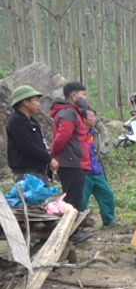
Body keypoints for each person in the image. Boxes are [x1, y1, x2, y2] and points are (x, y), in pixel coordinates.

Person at [49, 82, 92, 211]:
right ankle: (71, 229)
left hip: (75, 162)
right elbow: (62, 138)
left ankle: (73, 228)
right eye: (83, 95)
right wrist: (51, 154)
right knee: (72, 201)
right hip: (71, 163)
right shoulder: (68, 113)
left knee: (75, 199)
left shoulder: (72, 112)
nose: (85, 98)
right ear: (74, 96)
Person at [6, 86, 57, 181]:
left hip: (39, 171)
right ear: (25, 102)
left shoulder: (32, 121)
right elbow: (28, 146)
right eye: (36, 101)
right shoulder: (16, 122)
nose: (39, 104)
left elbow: (40, 144)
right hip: (27, 173)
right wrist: (48, 159)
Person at [82, 109, 117, 226]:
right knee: (82, 199)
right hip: (83, 171)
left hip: (96, 170)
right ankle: (79, 224)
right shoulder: (78, 134)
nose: (94, 119)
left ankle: (109, 221)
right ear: (83, 119)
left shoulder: (94, 133)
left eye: (94, 116)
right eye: (90, 117)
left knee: (107, 194)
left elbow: (96, 150)